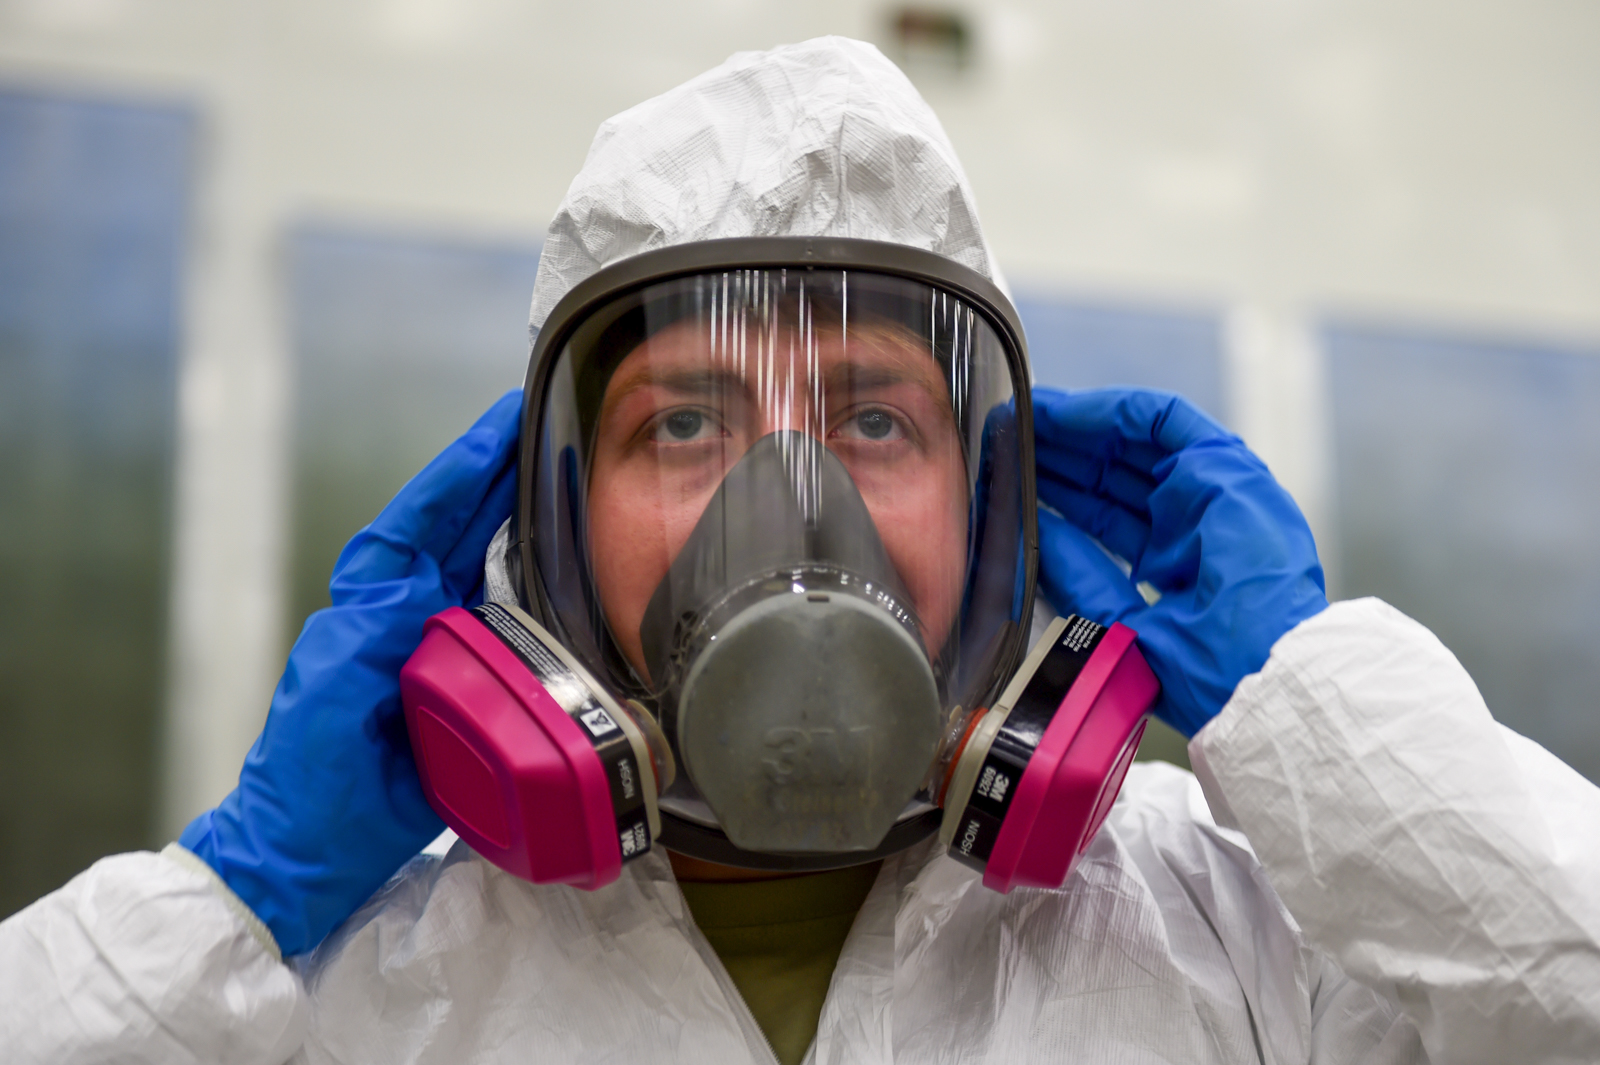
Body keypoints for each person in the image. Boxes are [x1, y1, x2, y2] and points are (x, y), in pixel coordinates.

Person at [4, 36, 1599, 1065]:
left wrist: (1313, 713)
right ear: (548, 520)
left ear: (995, 507)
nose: (794, 498)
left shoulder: (1236, 936)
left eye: (878, 421)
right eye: (685, 426)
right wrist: (230, 904)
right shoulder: (361, 998)